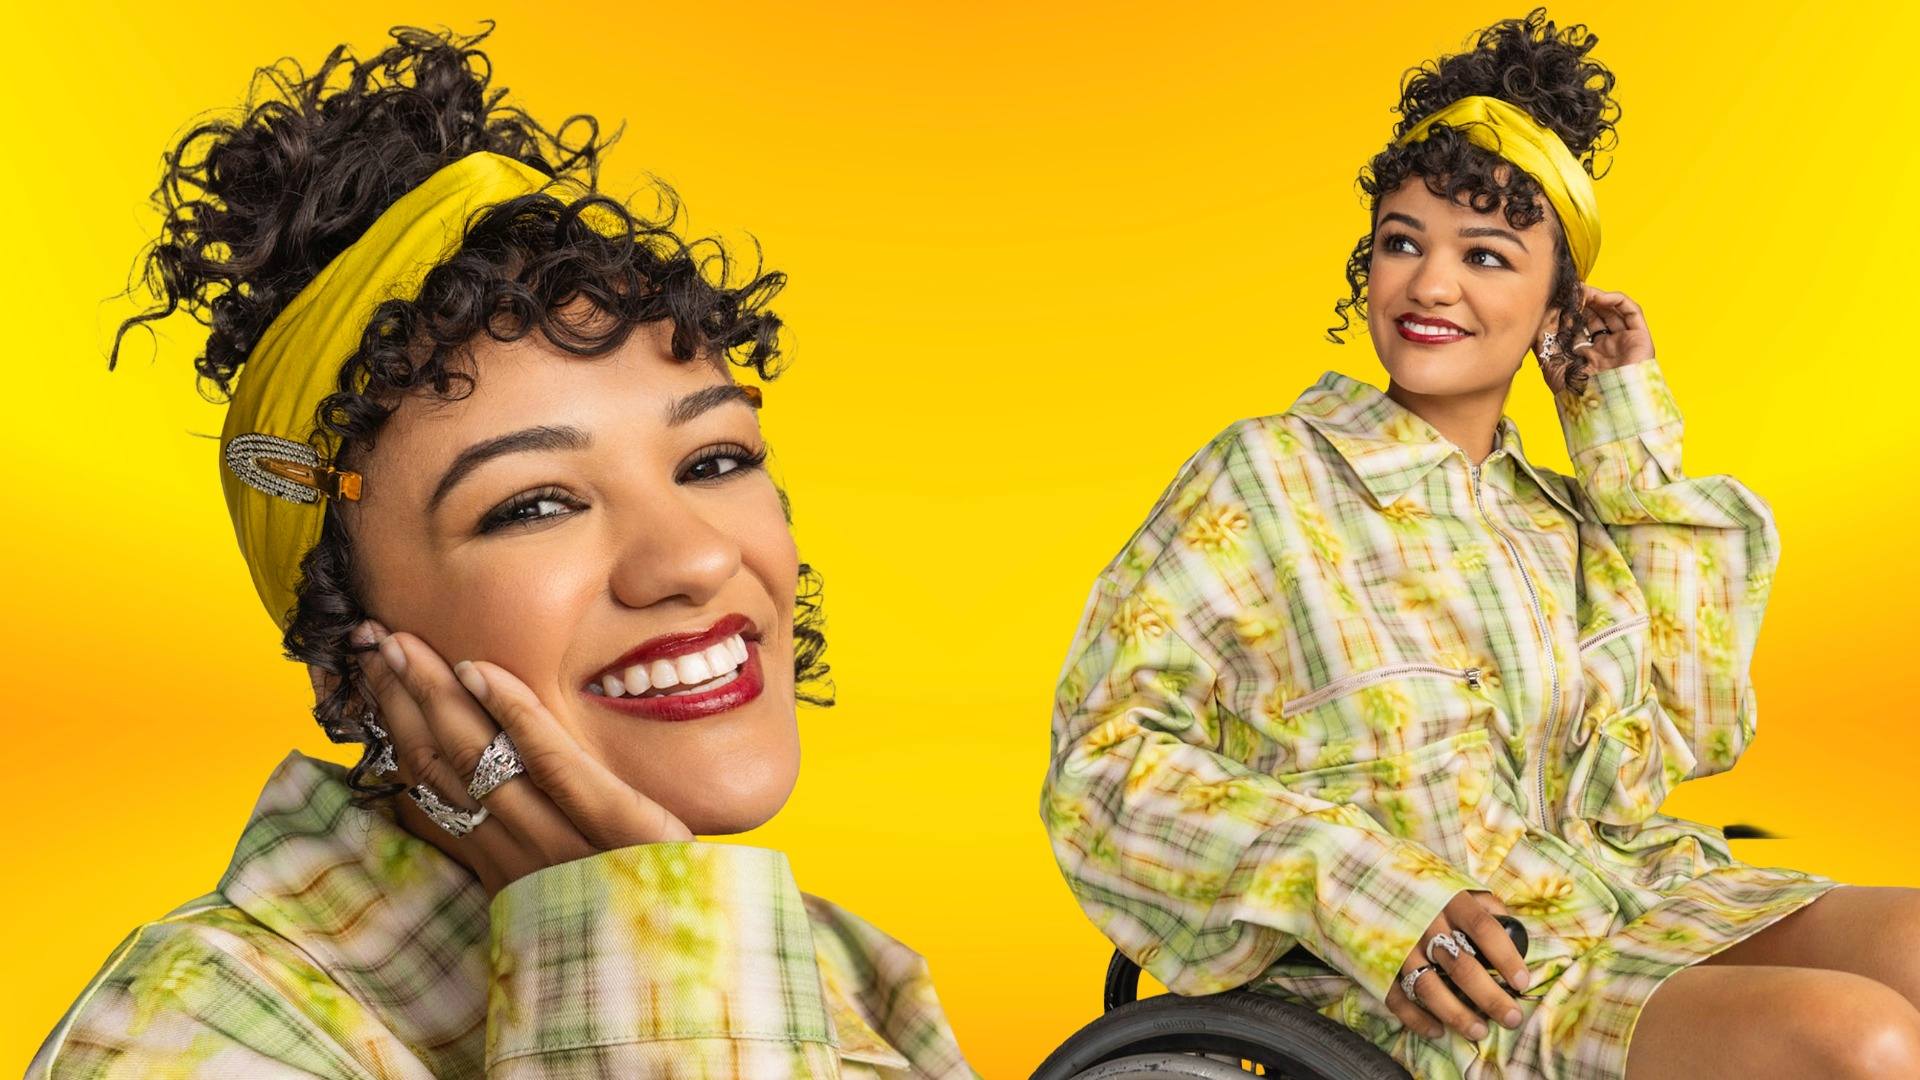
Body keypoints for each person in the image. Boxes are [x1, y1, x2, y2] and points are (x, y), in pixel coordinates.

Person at [30, 23, 974, 1079]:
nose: (696, 560)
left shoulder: (842, 967)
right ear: (350, 644)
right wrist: (637, 948)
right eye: (532, 506)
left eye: (711, 461)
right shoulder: (192, 1040)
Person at [1040, 8, 1920, 1078]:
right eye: (1403, 242)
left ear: (1555, 302)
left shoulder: (1558, 514)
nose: (1432, 284)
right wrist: (1365, 887)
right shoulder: (1266, 479)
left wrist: (1622, 435)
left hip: (1623, 901)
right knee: (1858, 1043)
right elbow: (1105, 764)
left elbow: (1694, 725)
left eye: (1488, 256)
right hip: (1429, 981)